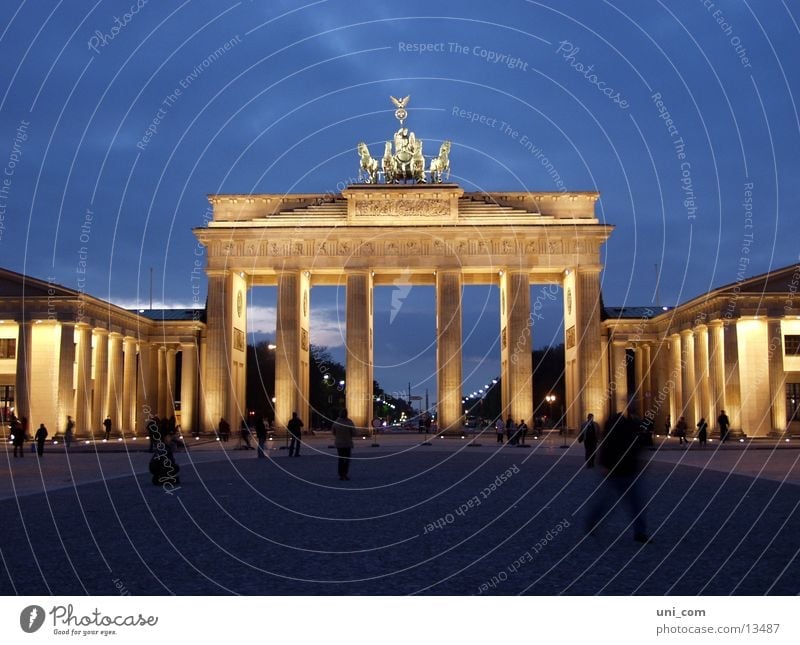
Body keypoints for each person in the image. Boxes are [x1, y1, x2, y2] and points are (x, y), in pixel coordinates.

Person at [587, 408, 651, 544]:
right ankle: (592, 521)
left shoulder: (629, 428)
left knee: (628, 502)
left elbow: (638, 445)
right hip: (617, 471)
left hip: (625, 470)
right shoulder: (622, 428)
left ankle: (640, 532)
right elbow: (608, 447)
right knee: (620, 502)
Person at [331, 408, 356, 480]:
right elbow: (354, 433)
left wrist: (338, 436)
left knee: (341, 459)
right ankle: (345, 473)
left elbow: (333, 432)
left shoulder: (336, 422)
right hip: (347, 443)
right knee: (347, 459)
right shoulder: (349, 422)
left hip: (339, 444)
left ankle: (341, 474)